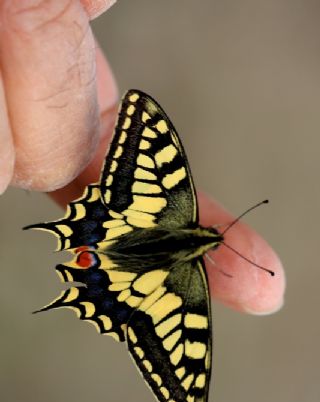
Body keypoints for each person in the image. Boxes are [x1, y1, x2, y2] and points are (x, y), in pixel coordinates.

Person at [0, 0, 285, 313]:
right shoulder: (190, 252)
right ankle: (97, 266)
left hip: (115, 224)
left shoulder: (177, 201)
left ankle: (96, 259)